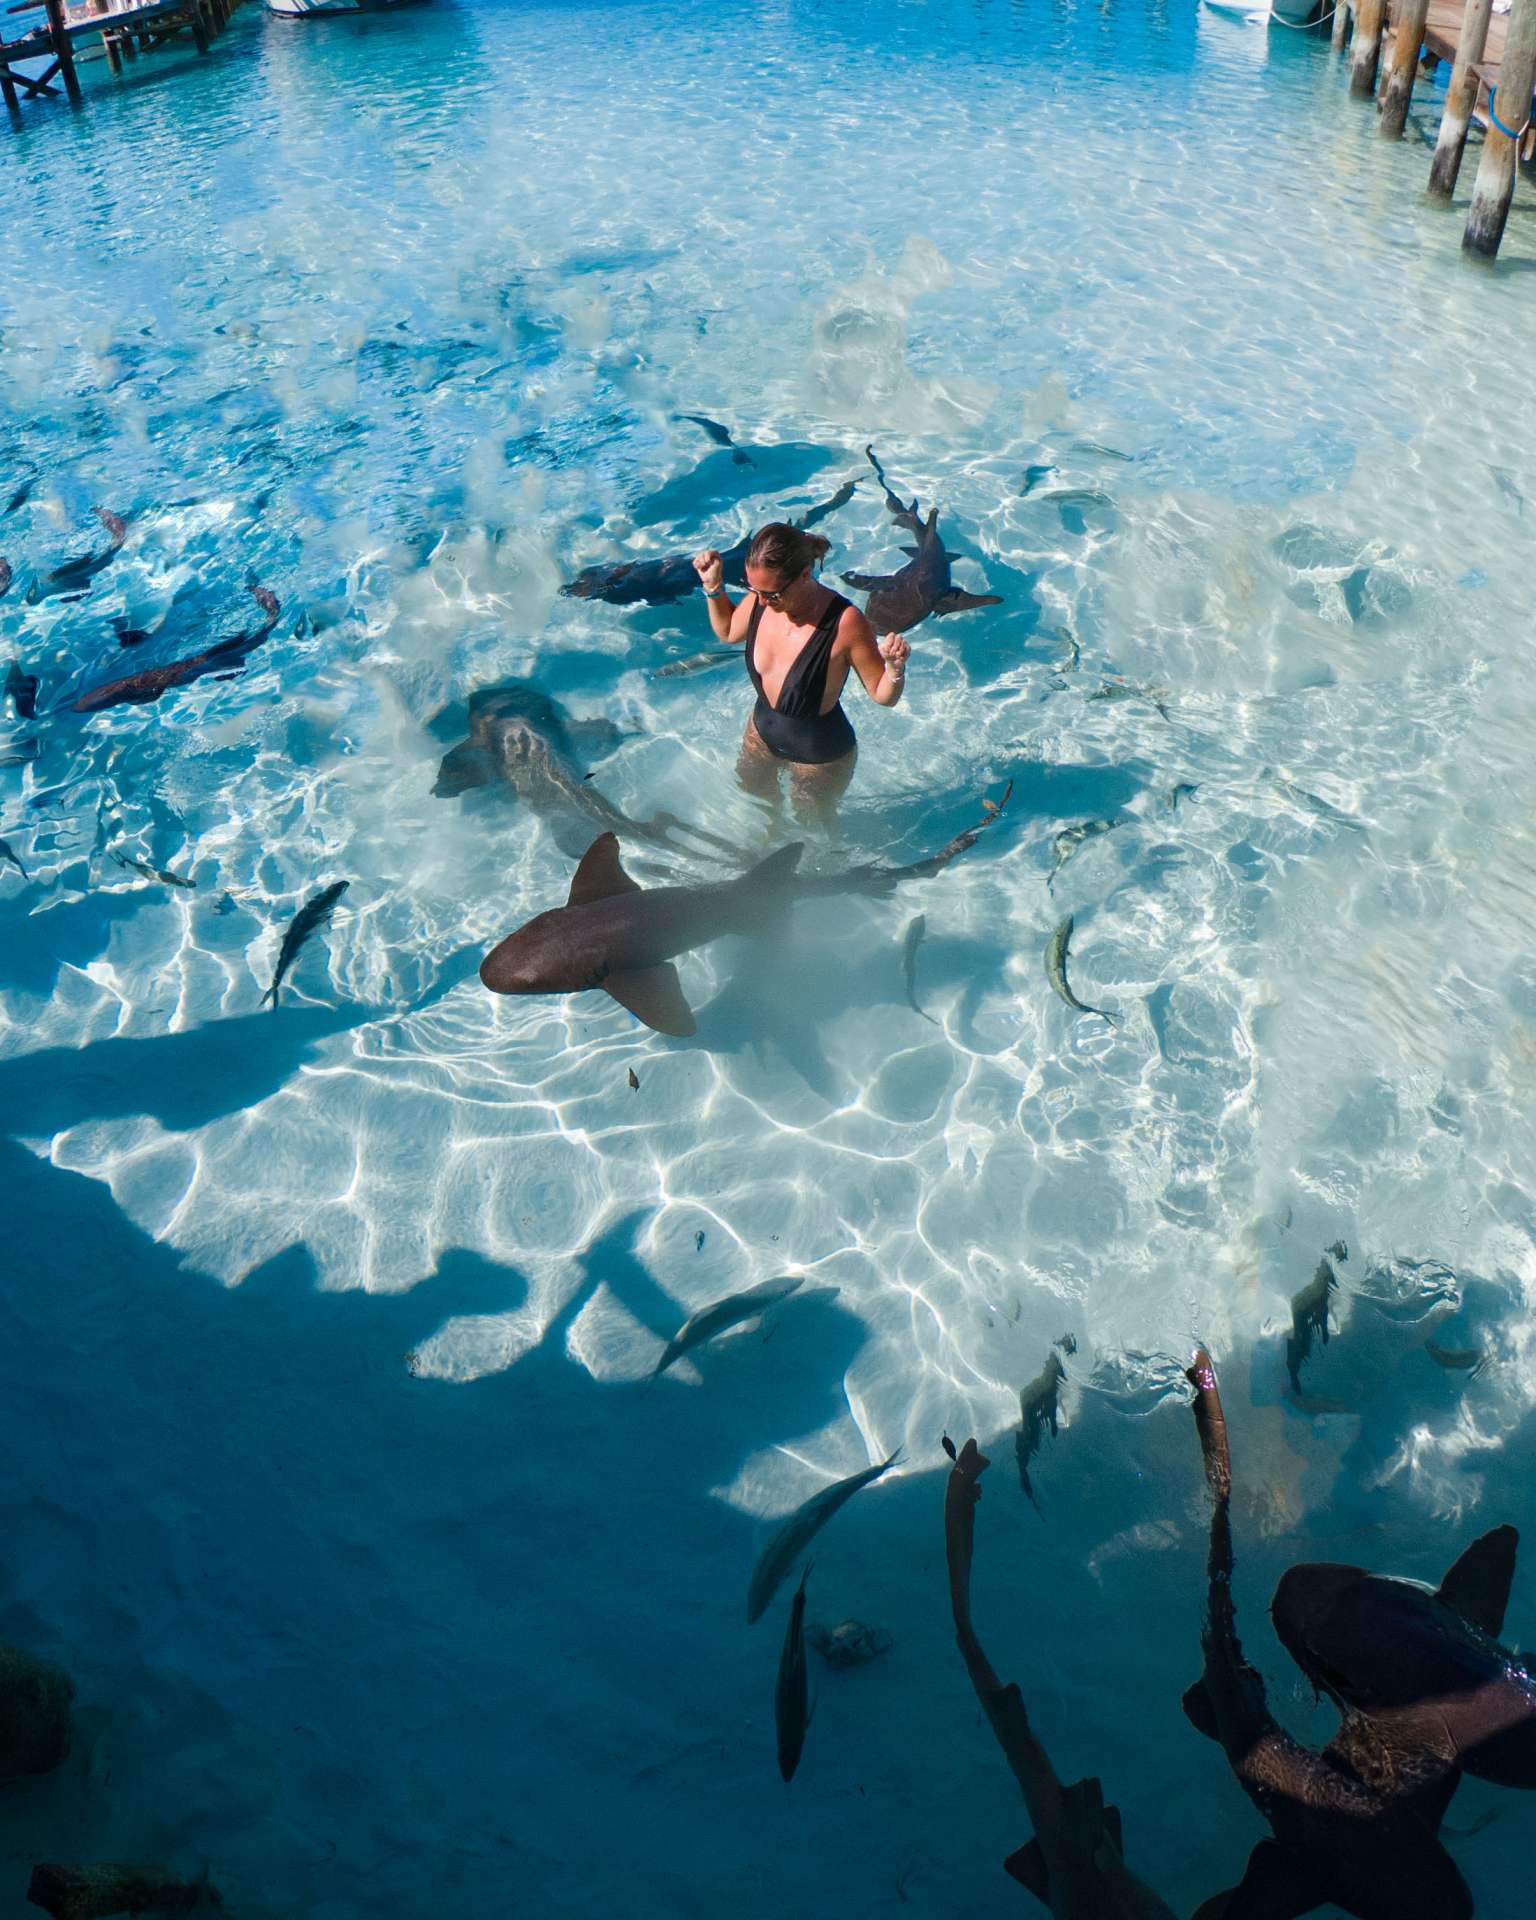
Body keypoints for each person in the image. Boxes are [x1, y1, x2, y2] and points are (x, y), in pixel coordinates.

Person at [691, 522, 910, 826]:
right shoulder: (761, 598)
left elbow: (881, 695)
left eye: (773, 594)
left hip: (818, 756)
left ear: (805, 575)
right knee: (756, 809)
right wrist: (714, 589)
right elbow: (728, 631)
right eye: (755, 590)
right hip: (761, 733)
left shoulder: (845, 623)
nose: (763, 602)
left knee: (814, 830)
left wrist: (895, 670)